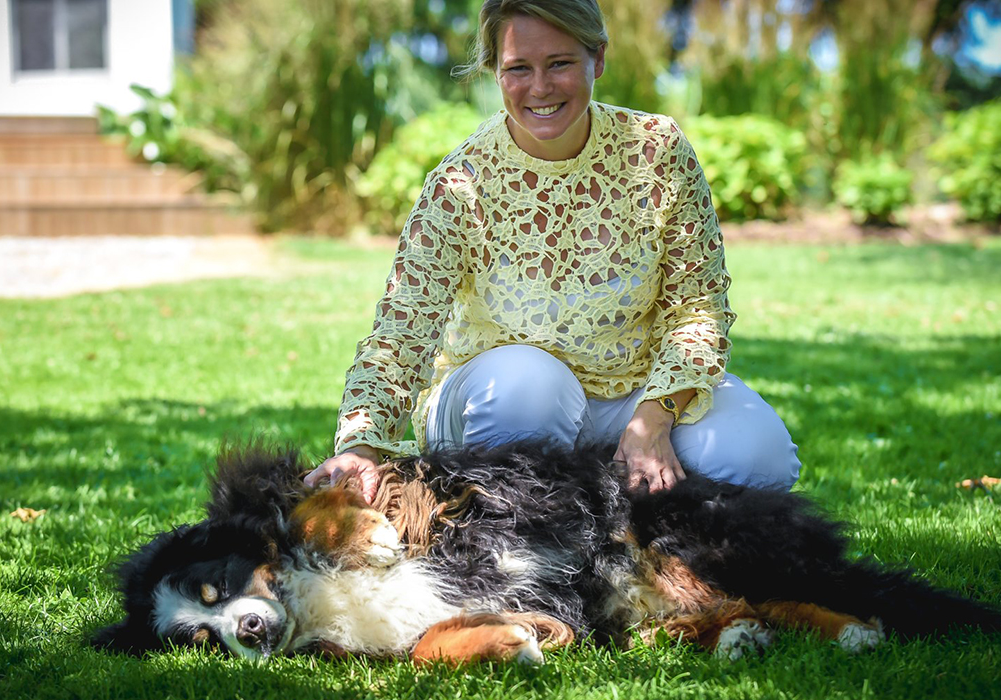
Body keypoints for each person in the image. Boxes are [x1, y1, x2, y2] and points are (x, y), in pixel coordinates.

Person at [305, 0, 801, 503]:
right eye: (518, 68)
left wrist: (653, 417)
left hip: (633, 392)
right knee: (530, 385)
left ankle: (620, 515)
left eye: (559, 63)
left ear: (598, 59)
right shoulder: (461, 184)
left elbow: (698, 308)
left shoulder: (658, 151)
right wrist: (361, 444)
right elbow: (401, 330)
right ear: (495, 74)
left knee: (758, 457)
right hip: (497, 403)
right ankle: (514, 528)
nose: (539, 87)